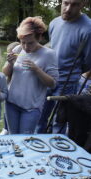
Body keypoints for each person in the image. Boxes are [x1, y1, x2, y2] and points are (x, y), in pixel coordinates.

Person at [36, 0, 91, 133]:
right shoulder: (54, 23)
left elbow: (88, 62)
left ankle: (58, 151)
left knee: (59, 122)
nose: (68, 8)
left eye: (75, 4)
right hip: (47, 78)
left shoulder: (88, 28)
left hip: (68, 83)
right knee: (38, 116)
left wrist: (73, 74)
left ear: (83, 4)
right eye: (66, 3)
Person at [3, 16, 59, 134]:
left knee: (24, 140)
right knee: (13, 137)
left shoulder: (49, 54)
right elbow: (6, 73)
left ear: (39, 37)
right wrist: (9, 63)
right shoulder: (18, 49)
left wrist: (37, 70)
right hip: (11, 103)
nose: (26, 47)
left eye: (30, 43)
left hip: (31, 108)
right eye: (23, 42)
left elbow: (53, 83)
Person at [0, 41, 20, 135]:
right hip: (9, 91)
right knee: (6, 112)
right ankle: (6, 128)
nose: (10, 55)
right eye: (9, 53)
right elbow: (5, 72)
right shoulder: (9, 63)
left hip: (19, 92)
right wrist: (10, 63)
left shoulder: (21, 61)